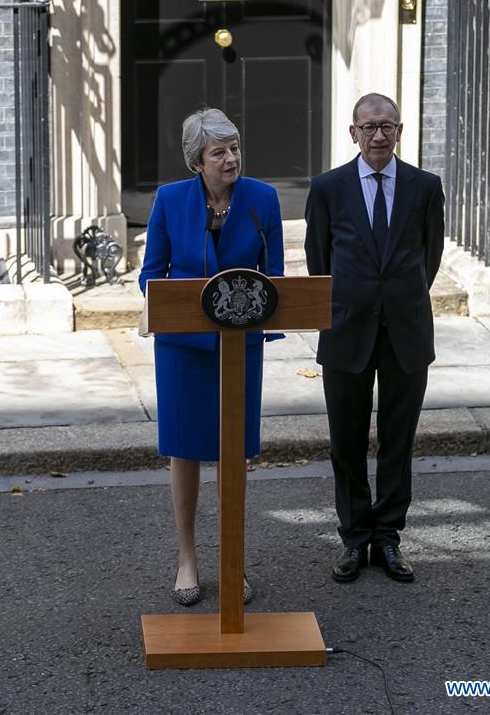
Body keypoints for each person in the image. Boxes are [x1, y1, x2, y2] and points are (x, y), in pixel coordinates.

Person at [139, 107, 284, 605]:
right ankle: (186, 559)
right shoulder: (168, 200)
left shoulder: (262, 199)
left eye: (235, 148)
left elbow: (277, 280)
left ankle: (233, 562)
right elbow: (150, 276)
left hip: (239, 346)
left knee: (233, 455)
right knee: (184, 449)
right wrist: (184, 299)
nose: (231, 158)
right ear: (196, 161)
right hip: (183, 347)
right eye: (218, 151)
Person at [304, 93, 444, 584]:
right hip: (346, 330)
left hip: (405, 329)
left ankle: (387, 537)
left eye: (387, 126)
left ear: (400, 132)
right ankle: (353, 538)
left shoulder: (425, 187)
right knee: (345, 440)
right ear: (353, 133)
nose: (378, 135)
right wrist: (350, 304)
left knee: (398, 441)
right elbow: (319, 261)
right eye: (369, 127)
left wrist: (398, 300)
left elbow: (431, 257)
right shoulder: (328, 188)